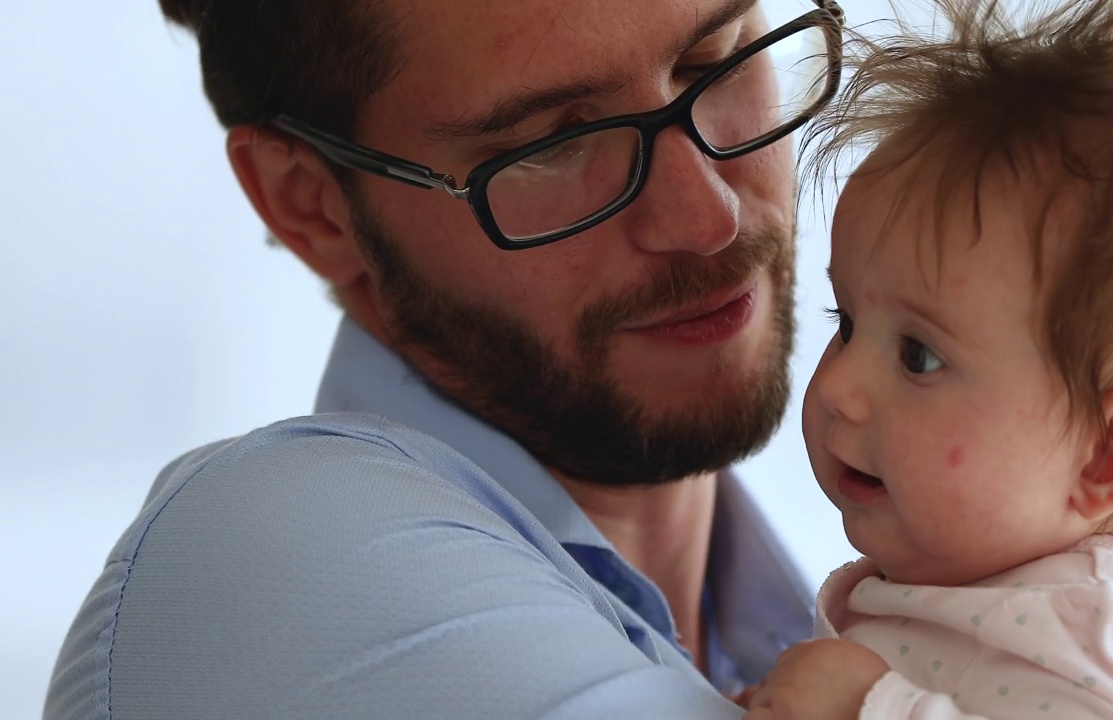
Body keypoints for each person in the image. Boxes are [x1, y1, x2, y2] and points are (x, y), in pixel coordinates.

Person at [44, 1, 847, 718]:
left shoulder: (842, 632)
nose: (706, 217)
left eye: (717, 59)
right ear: (312, 205)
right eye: (552, 143)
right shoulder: (270, 568)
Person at [743, 0, 1113, 717]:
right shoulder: (990, 595)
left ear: (1106, 454)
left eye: (918, 356)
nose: (837, 386)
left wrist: (869, 708)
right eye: (846, 322)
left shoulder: (1099, 632)